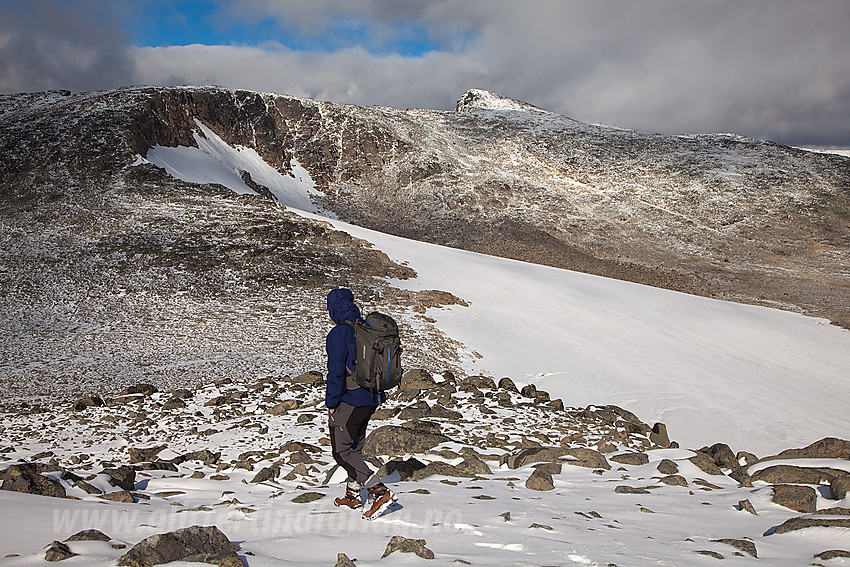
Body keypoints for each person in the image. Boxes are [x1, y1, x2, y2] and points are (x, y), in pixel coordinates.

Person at [325, 288, 396, 520]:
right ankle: (353, 495)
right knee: (355, 447)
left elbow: (336, 371)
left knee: (342, 452)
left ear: (334, 307)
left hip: (350, 400)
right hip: (370, 398)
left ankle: (378, 491)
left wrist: (332, 402)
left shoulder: (340, 333)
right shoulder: (364, 329)